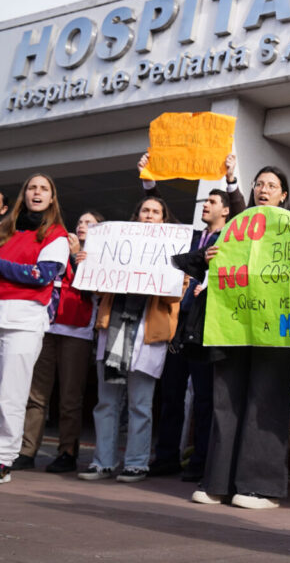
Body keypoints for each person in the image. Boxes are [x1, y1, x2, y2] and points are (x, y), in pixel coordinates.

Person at [191, 166, 290, 509]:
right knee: (227, 401)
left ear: (283, 195)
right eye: (259, 184)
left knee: (265, 402)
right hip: (235, 326)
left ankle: (260, 488)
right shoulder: (234, 229)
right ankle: (218, 483)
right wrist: (208, 257)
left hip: (275, 328)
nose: (264, 189)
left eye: (272, 185)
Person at [78, 196, 185, 482]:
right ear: (136, 217)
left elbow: (176, 295)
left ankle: (136, 463)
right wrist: (88, 264)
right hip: (113, 330)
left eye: (155, 212)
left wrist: (174, 273)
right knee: (107, 402)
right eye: (145, 211)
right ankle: (103, 462)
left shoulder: (174, 251)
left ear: (163, 219)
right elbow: (97, 288)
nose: (149, 215)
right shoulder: (116, 245)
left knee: (140, 403)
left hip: (147, 334)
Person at [150, 187, 239, 480]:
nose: (205, 205)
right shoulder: (188, 237)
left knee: (204, 396)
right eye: (205, 201)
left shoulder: (230, 239)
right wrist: (151, 187)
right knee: (171, 392)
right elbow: (164, 226)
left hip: (205, 325)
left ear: (226, 210)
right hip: (179, 322)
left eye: (212, 202)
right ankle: (166, 457)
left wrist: (232, 181)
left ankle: (201, 461)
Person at [16, 210, 104, 473]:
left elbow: (93, 289)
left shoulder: (101, 255)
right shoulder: (57, 247)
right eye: (80, 221)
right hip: (47, 325)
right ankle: (27, 450)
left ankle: (67, 452)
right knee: (36, 393)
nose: (82, 225)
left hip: (77, 330)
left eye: (89, 223)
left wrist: (77, 259)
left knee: (69, 396)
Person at [0, 175, 69, 485]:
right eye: (32, 187)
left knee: (10, 395)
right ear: (24, 194)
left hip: (24, 322)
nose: (36, 192)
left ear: (52, 198)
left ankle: (3, 459)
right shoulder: (6, 230)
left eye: (43, 189)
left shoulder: (56, 235)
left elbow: (41, 275)